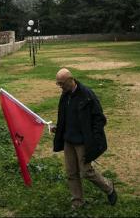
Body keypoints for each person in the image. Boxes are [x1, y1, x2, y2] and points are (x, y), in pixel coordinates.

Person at [51, 68, 117, 209]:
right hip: (68, 140)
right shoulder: (65, 95)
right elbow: (65, 117)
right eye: (58, 84)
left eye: (62, 83)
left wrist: (93, 138)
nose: (60, 86)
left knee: (86, 171)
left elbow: (100, 119)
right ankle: (77, 201)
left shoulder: (87, 95)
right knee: (71, 172)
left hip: (82, 142)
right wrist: (59, 129)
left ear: (71, 80)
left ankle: (109, 187)